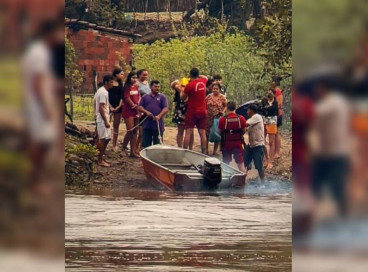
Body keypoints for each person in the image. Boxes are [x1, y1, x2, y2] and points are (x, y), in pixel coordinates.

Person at [181, 68, 208, 154]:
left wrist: (181, 89)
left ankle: (184, 151)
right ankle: (204, 152)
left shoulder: (189, 85)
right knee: (202, 133)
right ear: (198, 74)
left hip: (192, 111)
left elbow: (183, 97)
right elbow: (205, 77)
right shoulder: (203, 81)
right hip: (203, 110)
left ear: (190, 75)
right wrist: (198, 75)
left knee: (188, 132)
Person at [218, 101, 247, 173]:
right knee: (241, 165)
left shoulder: (222, 119)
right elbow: (244, 131)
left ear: (227, 108)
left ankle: (226, 182)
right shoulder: (241, 118)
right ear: (235, 107)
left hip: (226, 144)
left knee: (225, 165)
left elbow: (219, 132)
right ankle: (243, 181)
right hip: (238, 144)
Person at [138, 80, 169, 148]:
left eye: (158, 86)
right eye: (155, 86)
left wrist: (159, 116)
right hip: (147, 124)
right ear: (151, 87)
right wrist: (146, 112)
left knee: (157, 144)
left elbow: (166, 108)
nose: (157, 88)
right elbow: (140, 107)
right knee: (146, 144)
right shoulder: (145, 97)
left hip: (158, 124)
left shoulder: (162, 97)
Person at [95, 75, 115, 167]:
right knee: (102, 139)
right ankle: (99, 159)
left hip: (104, 117)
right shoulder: (102, 92)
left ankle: (100, 156)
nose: (113, 84)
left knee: (108, 138)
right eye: (111, 82)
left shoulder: (103, 91)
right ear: (106, 82)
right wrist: (106, 121)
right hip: (102, 119)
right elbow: (101, 107)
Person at [121, 71, 140, 158]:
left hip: (136, 111)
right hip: (128, 111)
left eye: (136, 78)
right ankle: (123, 149)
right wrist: (133, 106)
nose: (134, 79)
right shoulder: (127, 87)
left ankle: (133, 151)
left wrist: (139, 108)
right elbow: (127, 98)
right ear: (129, 78)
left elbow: (138, 97)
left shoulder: (136, 87)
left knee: (135, 131)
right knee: (130, 130)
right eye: (133, 78)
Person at [244, 104, 265, 182]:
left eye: (248, 110)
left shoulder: (256, 117)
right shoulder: (252, 119)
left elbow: (244, 124)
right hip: (251, 145)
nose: (247, 112)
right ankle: (242, 180)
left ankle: (263, 183)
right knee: (244, 163)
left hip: (258, 145)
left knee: (259, 166)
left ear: (252, 110)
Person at [171, 79, 194, 149]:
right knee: (180, 131)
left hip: (189, 111)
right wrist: (179, 86)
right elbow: (173, 84)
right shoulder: (178, 89)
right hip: (180, 111)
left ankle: (190, 149)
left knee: (190, 132)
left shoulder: (191, 89)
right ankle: (180, 148)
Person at [206, 82, 227, 155]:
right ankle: (206, 149)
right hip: (208, 117)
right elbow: (204, 104)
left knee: (216, 133)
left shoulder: (222, 97)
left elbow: (226, 106)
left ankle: (215, 150)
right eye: (214, 88)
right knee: (207, 134)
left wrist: (222, 111)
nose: (215, 90)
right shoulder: (208, 96)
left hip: (218, 118)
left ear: (219, 89)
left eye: (217, 89)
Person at [109, 68, 124, 152]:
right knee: (106, 123)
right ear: (116, 74)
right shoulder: (110, 83)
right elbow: (106, 95)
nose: (123, 76)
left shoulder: (121, 84)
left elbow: (122, 97)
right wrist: (110, 106)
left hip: (118, 106)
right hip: (109, 105)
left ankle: (114, 144)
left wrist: (119, 106)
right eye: (121, 74)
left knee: (116, 125)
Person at [263, 90, 278, 169]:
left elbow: (273, 110)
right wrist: (267, 109)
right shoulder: (264, 101)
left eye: (271, 93)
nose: (269, 93)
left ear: (274, 94)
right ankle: (266, 158)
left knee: (271, 142)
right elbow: (262, 110)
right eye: (268, 92)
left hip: (272, 122)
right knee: (263, 141)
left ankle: (270, 161)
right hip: (265, 121)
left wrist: (267, 109)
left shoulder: (275, 102)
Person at [136, 69, 150, 151]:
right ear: (139, 75)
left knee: (144, 130)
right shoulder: (137, 84)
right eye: (143, 74)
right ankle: (136, 147)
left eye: (146, 75)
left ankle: (141, 146)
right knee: (139, 131)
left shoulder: (147, 83)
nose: (145, 76)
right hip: (140, 107)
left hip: (147, 107)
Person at [271, 80, 283, 158]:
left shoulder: (278, 91)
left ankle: (277, 152)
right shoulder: (272, 91)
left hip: (277, 114)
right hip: (272, 114)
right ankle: (274, 151)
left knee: (277, 132)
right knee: (273, 132)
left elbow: (279, 104)